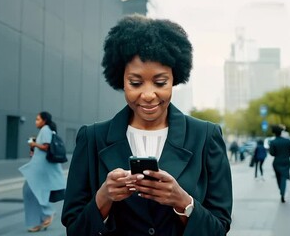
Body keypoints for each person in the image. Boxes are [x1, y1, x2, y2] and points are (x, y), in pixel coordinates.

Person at [61, 14, 233, 235]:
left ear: (175, 79)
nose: (149, 95)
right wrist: (104, 196)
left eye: (160, 82)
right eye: (135, 83)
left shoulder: (206, 136)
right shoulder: (93, 138)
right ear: (120, 80)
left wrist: (183, 202)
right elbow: (74, 229)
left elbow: (218, 229)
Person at [19, 112, 66, 232]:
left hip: (41, 169)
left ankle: (47, 214)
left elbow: (46, 147)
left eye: (38, 119)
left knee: (31, 191)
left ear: (44, 120)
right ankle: (39, 221)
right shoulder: (47, 130)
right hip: (41, 168)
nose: (36, 121)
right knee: (33, 191)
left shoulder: (45, 129)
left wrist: (33, 144)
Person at [269, 125, 290, 203]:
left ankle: (281, 190)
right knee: (284, 178)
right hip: (286, 162)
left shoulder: (273, 142)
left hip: (276, 162)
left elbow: (272, 153)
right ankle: (282, 193)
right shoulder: (287, 141)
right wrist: (286, 155)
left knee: (278, 178)